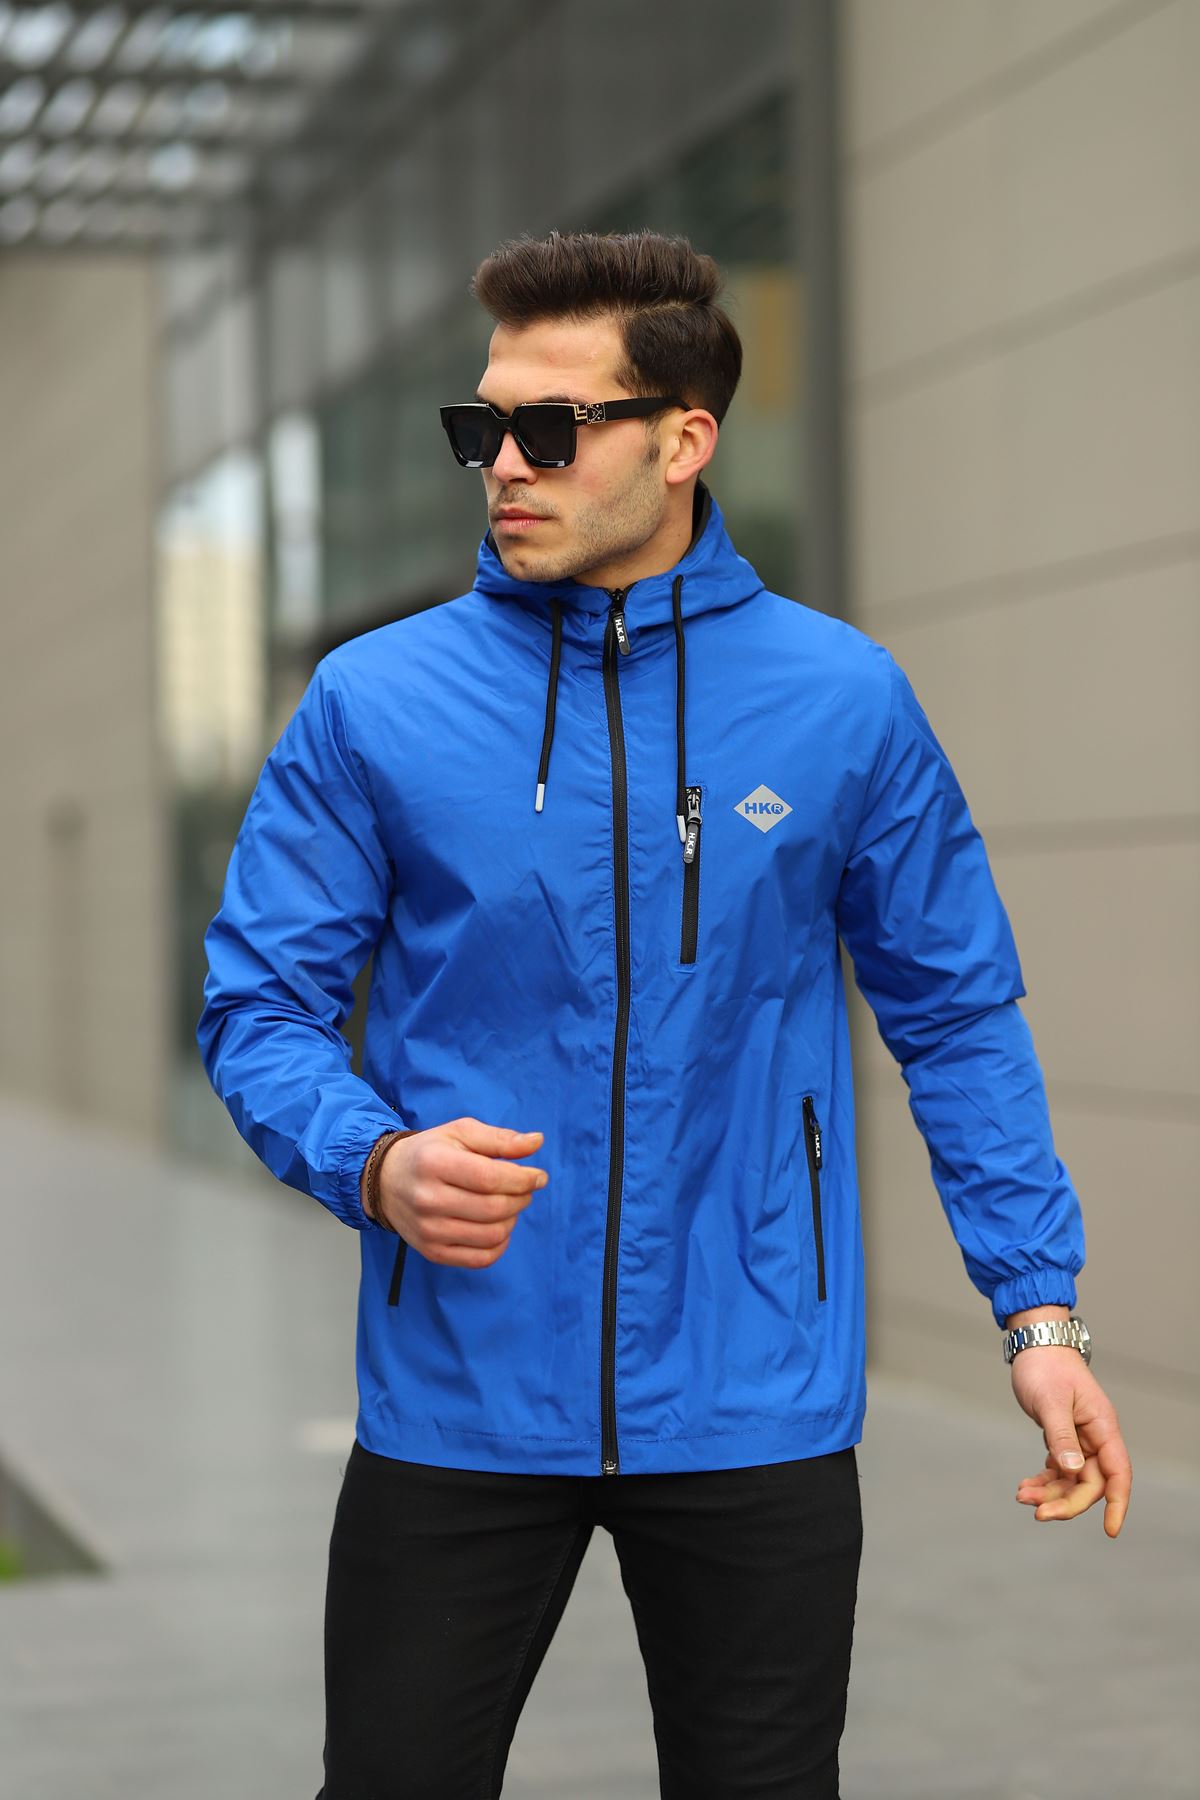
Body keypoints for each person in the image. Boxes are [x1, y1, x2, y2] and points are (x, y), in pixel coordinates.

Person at [197, 229, 1133, 1799]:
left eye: (550, 429)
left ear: (684, 440)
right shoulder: (375, 701)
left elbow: (958, 1018)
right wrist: (373, 1161)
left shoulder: (843, 700)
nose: (503, 464)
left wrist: (1037, 1314)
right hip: (461, 1396)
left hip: (756, 1390)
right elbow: (258, 1005)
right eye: (481, 425)